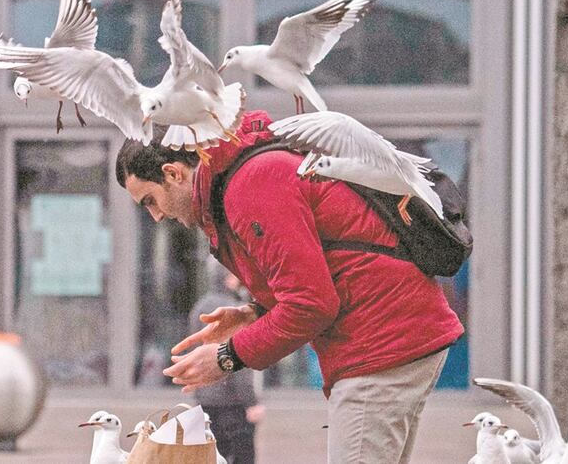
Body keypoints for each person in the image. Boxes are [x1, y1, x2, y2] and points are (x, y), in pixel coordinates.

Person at [116, 110, 465, 463]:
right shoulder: (240, 179)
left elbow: (311, 305)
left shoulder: (251, 184)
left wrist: (226, 357)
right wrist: (255, 313)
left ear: (173, 173)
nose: (156, 216)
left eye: (149, 201)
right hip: (394, 334)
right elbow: (321, 269)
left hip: (379, 345)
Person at [190, 258, 265, 464]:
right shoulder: (234, 310)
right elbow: (237, 359)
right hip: (233, 405)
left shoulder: (200, 307)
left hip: (205, 401)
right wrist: (251, 403)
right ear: (229, 278)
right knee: (242, 457)